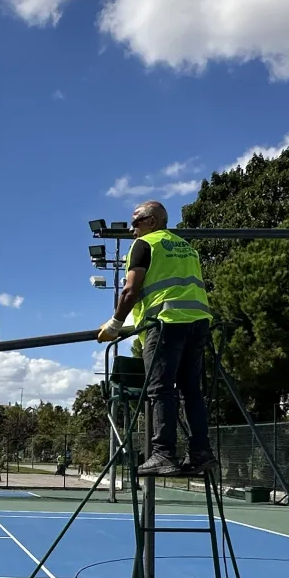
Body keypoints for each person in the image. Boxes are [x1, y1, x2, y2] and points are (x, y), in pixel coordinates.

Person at [97, 200, 215, 476]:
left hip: (165, 324)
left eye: (136, 221)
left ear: (152, 221)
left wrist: (115, 324)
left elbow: (130, 290)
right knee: (192, 391)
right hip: (197, 324)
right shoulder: (186, 247)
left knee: (159, 389)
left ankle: (163, 454)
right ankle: (201, 453)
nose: (131, 228)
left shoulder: (145, 244)